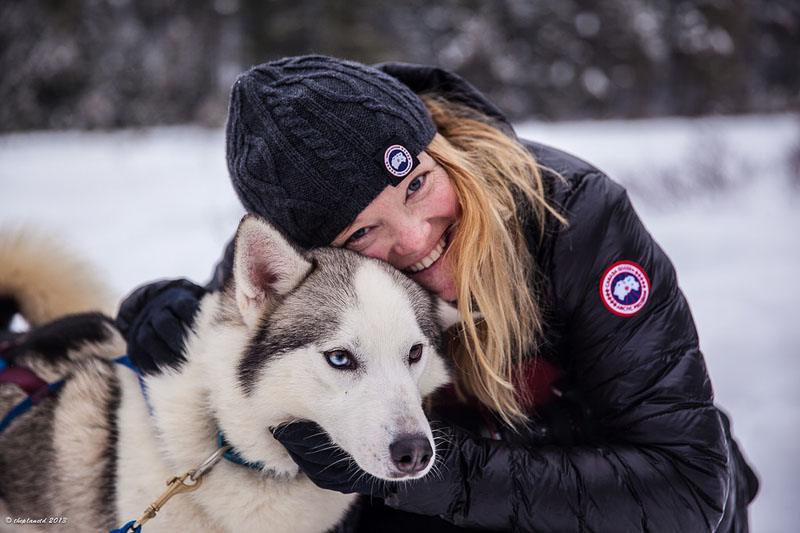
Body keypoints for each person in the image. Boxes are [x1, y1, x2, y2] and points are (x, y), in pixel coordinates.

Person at [117, 55, 758, 532]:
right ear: (321, 255)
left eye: (418, 185)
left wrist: (433, 474)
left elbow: (690, 487)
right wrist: (165, 312)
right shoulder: (306, 267)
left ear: (437, 150)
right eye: (365, 230)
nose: (418, 236)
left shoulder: (574, 220)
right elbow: (238, 316)